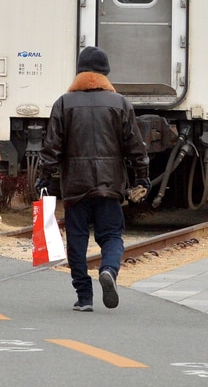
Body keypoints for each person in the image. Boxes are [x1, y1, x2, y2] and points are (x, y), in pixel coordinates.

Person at [36, 46, 149, 311]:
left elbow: (51, 148)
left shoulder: (64, 103)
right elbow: (136, 147)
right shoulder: (120, 103)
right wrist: (142, 178)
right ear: (105, 74)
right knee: (111, 236)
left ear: (79, 72)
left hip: (76, 186)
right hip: (110, 186)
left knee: (77, 240)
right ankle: (108, 270)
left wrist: (43, 179)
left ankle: (84, 297)